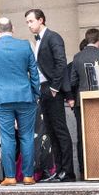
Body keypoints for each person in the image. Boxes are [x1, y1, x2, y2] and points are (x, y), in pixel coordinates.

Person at [0, 18, 41, 185]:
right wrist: (35, 92)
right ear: (13, 28)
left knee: (7, 138)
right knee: (27, 136)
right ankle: (28, 175)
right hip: (25, 95)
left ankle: (10, 176)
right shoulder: (24, 45)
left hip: (1, 97)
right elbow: (34, 72)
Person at [25, 9, 76, 182]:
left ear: (41, 20)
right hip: (43, 89)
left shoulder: (53, 37)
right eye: (27, 22)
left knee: (60, 131)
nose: (29, 25)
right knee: (51, 132)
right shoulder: (38, 40)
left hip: (52, 89)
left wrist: (55, 87)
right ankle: (59, 169)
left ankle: (68, 172)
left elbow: (61, 62)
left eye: (31, 21)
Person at [65, 28, 99, 178]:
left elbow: (72, 81)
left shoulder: (77, 57)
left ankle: (84, 169)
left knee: (82, 135)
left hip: (81, 101)